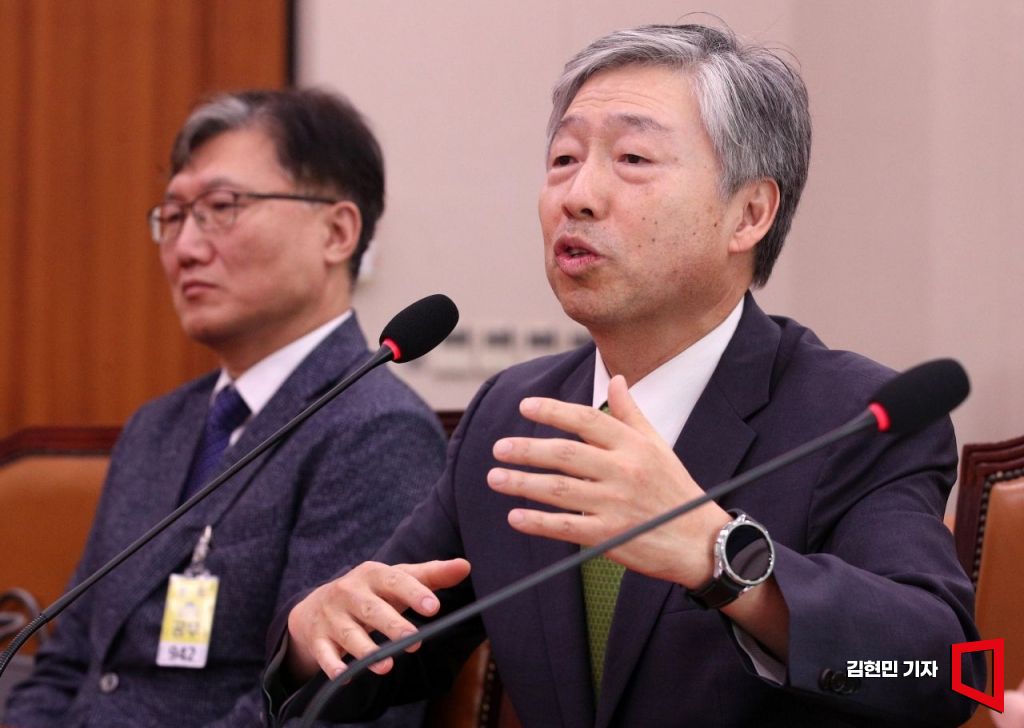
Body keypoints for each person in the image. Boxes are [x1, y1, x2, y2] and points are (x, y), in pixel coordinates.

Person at [267, 24, 983, 727]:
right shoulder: (514, 416)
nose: (577, 195)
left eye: (634, 158)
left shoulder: (858, 417)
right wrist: (312, 637)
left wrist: (721, 559)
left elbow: (942, 672)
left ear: (749, 214)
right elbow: (381, 662)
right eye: (563, 159)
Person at [3, 89, 445, 727]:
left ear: (336, 232)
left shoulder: (375, 430)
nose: (185, 247)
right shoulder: (157, 427)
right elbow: (67, 661)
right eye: (174, 215)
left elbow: (336, 706)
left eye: (220, 208)